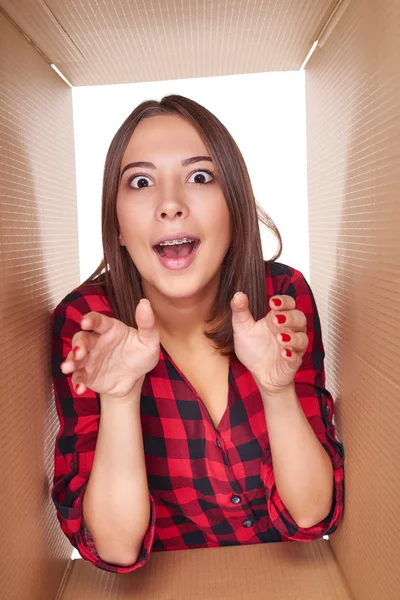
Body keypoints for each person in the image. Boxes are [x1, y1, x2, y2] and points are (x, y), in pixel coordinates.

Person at [50, 94, 345, 574]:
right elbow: (116, 549)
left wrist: (277, 389)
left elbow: (311, 516)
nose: (170, 204)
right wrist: (120, 398)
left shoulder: (282, 296)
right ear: (118, 225)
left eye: (200, 176)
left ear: (233, 205)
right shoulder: (90, 323)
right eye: (141, 182)